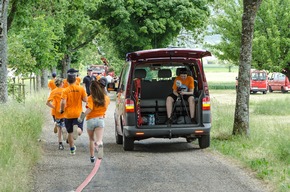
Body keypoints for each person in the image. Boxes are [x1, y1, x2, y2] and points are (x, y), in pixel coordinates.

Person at [78, 77, 110, 162]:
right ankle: (99, 147)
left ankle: (92, 157)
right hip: (100, 120)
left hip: (90, 120)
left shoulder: (90, 98)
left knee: (91, 139)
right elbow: (106, 107)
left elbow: (90, 109)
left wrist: (82, 117)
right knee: (99, 140)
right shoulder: (106, 98)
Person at [60, 68, 87, 155]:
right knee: (80, 129)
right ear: (76, 80)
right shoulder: (81, 89)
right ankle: (77, 130)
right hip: (79, 113)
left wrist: (62, 110)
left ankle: (72, 149)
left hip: (68, 114)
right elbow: (85, 99)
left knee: (70, 132)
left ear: (67, 81)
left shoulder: (65, 90)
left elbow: (63, 102)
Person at [46, 78, 68, 150]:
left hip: (56, 112)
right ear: (61, 84)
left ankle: (60, 144)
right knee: (64, 125)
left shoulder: (53, 91)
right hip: (64, 111)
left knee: (59, 128)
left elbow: (47, 103)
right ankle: (65, 133)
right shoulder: (65, 91)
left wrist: (54, 107)